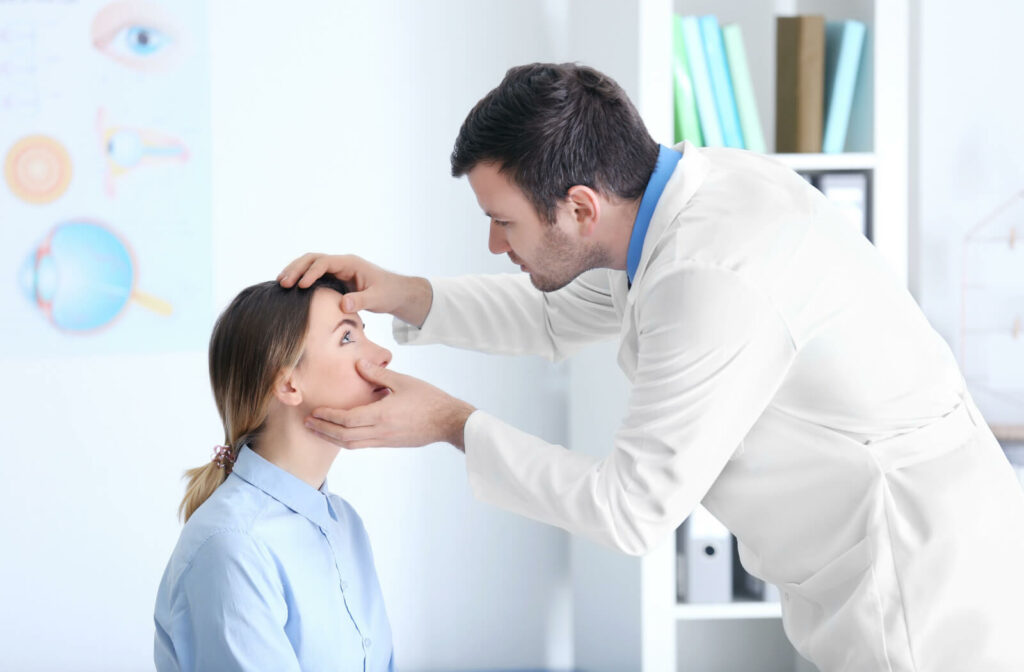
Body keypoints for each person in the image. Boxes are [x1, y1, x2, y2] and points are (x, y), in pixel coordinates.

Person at [279, 63, 1024, 671]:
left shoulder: (714, 275)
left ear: (578, 207)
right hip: (887, 555)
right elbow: (554, 313)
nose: (496, 246)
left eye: (503, 222)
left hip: (918, 591)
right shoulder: (677, 198)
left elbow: (629, 510)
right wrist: (402, 292)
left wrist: (450, 423)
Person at [154, 276, 395, 672]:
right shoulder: (233, 547)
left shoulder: (345, 523)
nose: (383, 355)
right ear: (287, 383)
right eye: (347, 338)